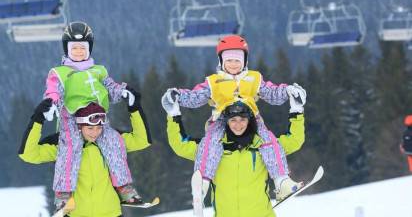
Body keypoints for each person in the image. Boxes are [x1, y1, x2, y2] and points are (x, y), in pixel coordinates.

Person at [162, 35, 304, 212]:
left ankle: (281, 179)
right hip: (222, 119)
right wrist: (178, 98)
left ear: (245, 61)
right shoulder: (214, 81)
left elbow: (272, 93)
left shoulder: (253, 78)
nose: (233, 64)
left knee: (269, 142)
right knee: (209, 144)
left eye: (238, 60)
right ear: (221, 61)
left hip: (252, 117)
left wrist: (289, 93)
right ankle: (203, 182)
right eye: (229, 60)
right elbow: (195, 97)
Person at [42, 21, 145, 212]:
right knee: (70, 148)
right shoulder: (60, 73)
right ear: (66, 49)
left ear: (90, 48)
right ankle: (63, 194)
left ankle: (123, 187)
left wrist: (123, 92)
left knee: (114, 143)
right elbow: (52, 91)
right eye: (74, 48)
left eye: (83, 48)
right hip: (71, 121)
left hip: (98, 120)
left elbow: (111, 88)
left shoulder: (99, 71)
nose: (79, 52)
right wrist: (51, 104)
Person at [163, 82, 307, 217]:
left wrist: (297, 110)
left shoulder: (265, 148)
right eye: (233, 120)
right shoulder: (211, 151)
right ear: (226, 121)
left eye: (242, 119)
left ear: (249, 121)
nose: (238, 125)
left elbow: (295, 140)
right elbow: (180, 145)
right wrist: (173, 114)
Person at [18, 90, 151, 217]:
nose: (95, 132)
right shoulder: (63, 144)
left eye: (99, 127)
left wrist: (134, 108)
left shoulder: (113, 140)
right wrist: (38, 119)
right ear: (80, 125)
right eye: (90, 128)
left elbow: (142, 140)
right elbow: (29, 154)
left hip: (111, 213)